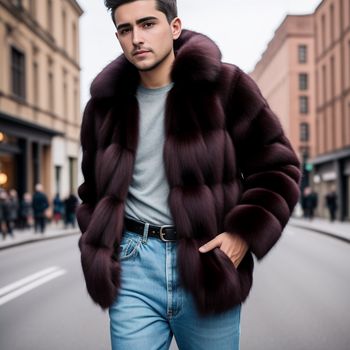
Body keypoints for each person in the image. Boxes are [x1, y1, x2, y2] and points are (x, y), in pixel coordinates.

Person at [76, 1, 301, 349]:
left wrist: (243, 235)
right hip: (133, 264)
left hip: (208, 264)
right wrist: (102, 248)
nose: (137, 38)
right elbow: (93, 191)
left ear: (175, 26)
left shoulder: (225, 86)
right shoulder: (103, 107)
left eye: (148, 24)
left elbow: (278, 166)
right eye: (125, 29)